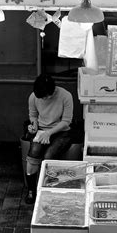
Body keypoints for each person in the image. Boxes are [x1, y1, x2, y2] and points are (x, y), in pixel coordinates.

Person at [24, 74, 73, 204]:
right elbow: (33, 115)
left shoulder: (65, 96)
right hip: (42, 130)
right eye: (42, 97)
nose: (44, 99)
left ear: (52, 91)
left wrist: (49, 133)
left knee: (49, 155)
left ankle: (46, 190)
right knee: (33, 153)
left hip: (61, 132)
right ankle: (31, 191)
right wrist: (34, 126)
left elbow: (66, 121)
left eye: (46, 96)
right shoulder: (33, 97)